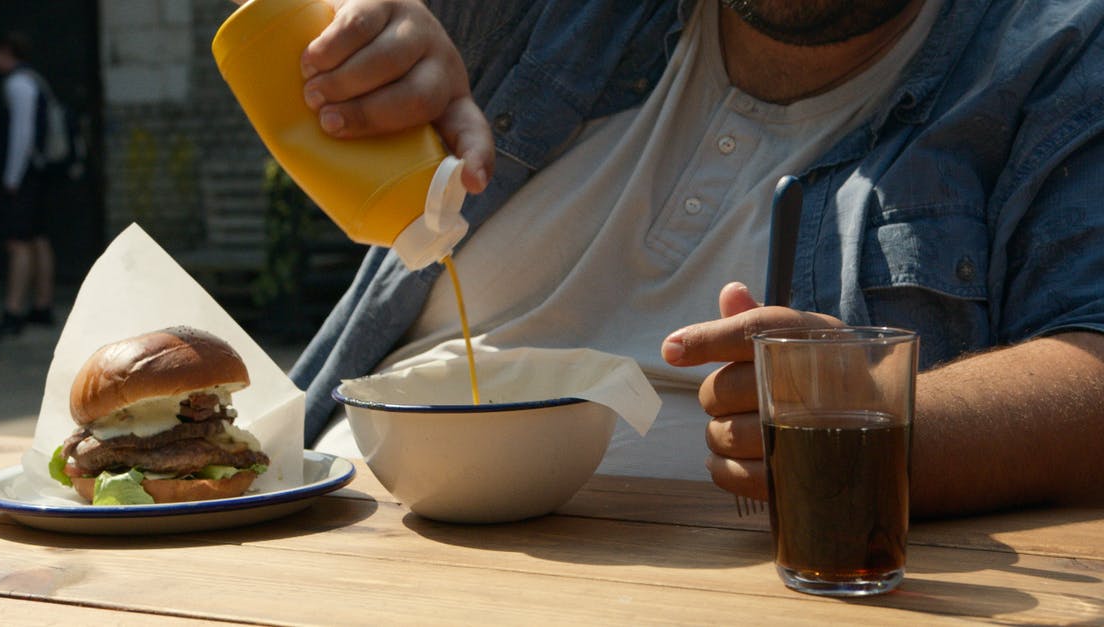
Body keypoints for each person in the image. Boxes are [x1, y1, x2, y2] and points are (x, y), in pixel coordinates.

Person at [271, 0, 1104, 519]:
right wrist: (348, 26)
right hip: (321, 535)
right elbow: (285, 19)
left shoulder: (1053, 50)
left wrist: (861, 415)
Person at [0, 31, 57, 341]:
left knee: (19, 242)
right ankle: (42, 304)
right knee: (39, 238)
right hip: (40, 171)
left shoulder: (17, 83)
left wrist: (12, 178)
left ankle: (14, 310)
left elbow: (22, 134)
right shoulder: (35, 80)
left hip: (26, 173)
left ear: (5, 52)